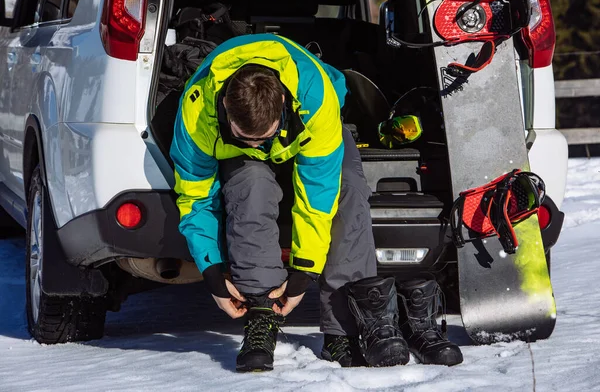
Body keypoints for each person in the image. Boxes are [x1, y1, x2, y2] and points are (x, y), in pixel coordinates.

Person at [170, 33, 462, 372]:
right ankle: (262, 314)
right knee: (249, 185)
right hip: (239, 152)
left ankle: (345, 329)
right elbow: (195, 198)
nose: (259, 148)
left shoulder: (315, 97)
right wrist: (211, 272)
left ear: (282, 107)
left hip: (309, 134)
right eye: (244, 137)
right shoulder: (197, 111)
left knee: (348, 192)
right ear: (225, 110)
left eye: (263, 138)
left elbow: (317, 198)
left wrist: (302, 273)